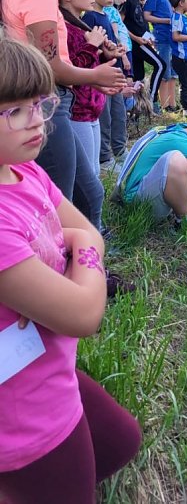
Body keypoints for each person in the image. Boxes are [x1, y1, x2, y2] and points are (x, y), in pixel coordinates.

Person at [0, 38, 141, 504]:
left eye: (40, 103)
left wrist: (82, 245)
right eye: (14, 111)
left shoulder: (26, 172)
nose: (37, 120)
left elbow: (88, 234)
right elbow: (84, 315)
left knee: (120, 441)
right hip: (24, 411)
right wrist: (83, 252)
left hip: (45, 362)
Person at [0, 0, 126, 229]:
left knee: (91, 193)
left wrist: (91, 80)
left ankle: (92, 257)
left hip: (48, 102)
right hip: (46, 104)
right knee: (60, 206)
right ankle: (74, 270)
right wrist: (94, 76)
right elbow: (49, 66)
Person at [54, 0, 108, 177]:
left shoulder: (81, 27)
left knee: (94, 171)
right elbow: (72, 69)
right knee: (87, 174)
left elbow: (92, 64)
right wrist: (92, 45)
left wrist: (106, 53)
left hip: (92, 109)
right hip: (78, 111)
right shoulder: (66, 30)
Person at [83, 0, 129, 169]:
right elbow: (93, 47)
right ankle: (104, 158)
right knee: (105, 117)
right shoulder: (91, 17)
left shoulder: (106, 15)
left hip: (115, 73)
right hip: (102, 76)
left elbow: (107, 46)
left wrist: (117, 51)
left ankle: (120, 151)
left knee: (119, 114)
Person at [122, 0, 165, 108]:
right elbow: (121, 26)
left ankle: (138, 106)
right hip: (137, 43)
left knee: (138, 76)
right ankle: (152, 101)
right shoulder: (126, 0)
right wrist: (136, 39)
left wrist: (149, 36)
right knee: (160, 65)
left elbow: (139, 22)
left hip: (143, 40)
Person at [144, 0, 177, 112]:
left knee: (172, 73)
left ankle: (173, 103)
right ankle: (164, 105)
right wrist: (165, 20)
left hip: (172, 38)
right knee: (164, 73)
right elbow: (147, 16)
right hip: (162, 38)